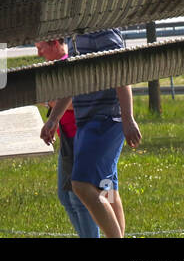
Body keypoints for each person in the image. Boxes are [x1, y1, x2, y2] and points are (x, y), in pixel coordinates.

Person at [40, 28, 141, 238]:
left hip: (105, 119)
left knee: (81, 185)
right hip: (87, 121)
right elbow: (75, 83)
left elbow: (121, 71)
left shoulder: (103, 30)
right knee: (108, 189)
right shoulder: (75, 35)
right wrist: (53, 119)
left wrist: (127, 117)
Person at [35, 37, 99, 238]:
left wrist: (52, 102)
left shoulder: (70, 65)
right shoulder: (57, 67)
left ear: (55, 43)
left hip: (82, 138)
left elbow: (77, 101)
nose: (38, 53)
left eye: (41, 47)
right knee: (66, 197)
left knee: (78, 200)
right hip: (68, 140)